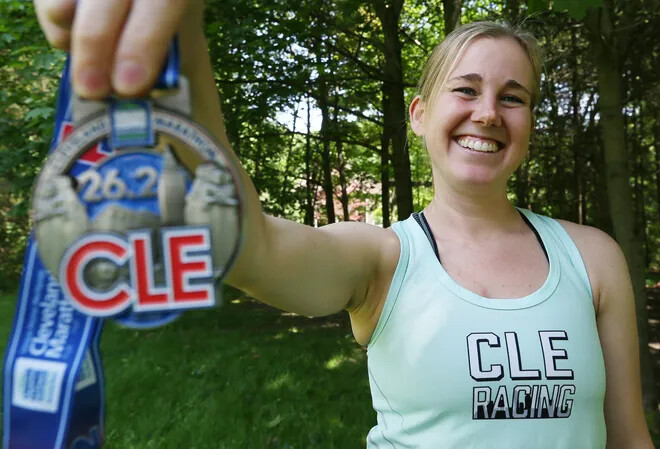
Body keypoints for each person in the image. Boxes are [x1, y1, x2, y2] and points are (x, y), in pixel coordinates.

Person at [34, 0, 654, 447]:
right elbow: (250, 243)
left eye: (512, 97)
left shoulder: (592, 257)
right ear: (419, 114)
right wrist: (179, 43)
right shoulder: (381, 259)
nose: (488, 113)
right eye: (465, 90)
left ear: (530, 124)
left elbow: (628, 436)